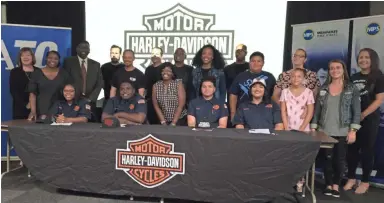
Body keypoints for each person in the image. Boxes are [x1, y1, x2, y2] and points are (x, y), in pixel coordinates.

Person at [310, 60, 361, 198]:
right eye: (332, 68)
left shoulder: (351, 88)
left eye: (338, 68)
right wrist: (314, 128)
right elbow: (317, 111)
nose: (335, 70)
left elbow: (356, 111)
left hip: (343, 131)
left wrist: (353, 130)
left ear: (343, 69)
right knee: (327, 159)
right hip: (325, 131)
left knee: (339, 160)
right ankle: (328, 184)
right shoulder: (323, 89)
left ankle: (336, 186)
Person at [345, 48, 384, 194]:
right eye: (360, 57)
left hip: (369, 120)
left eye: (366, 57)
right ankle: (351, 178)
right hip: (353, 119)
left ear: (372, 59)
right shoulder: (353, 77)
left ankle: (366, 181)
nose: (363, 60)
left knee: (367, 150)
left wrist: (363, 114)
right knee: (352, 149)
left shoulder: (379, 77)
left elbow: (379, 99)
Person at [279, 68, 315, 193]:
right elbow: (283, 110)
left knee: (301, 156)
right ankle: (287, 182)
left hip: (303, 128)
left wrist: (302, 128)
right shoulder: (284, 91)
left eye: (299, 76)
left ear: (303, 78)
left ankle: (300, 181)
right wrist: (286, 126)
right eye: (293, 76)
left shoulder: (308, 92)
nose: (296, 78)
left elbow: (310, 111)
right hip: (288, 127)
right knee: (288, 155)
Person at [229, 51, 276, 122]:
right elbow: (233, 95)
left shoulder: (269, 77)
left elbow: (274, 96)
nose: (256, 63)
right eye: (253, 61)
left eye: (259, 61)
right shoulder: (240, 76)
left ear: (263, 63)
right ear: (249, 62)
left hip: (264, 114)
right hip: (243, 113)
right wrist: (233, 113)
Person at [63, 40, 103, 122]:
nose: (84, 50)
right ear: (77, 49)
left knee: (91, 126)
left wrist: (91, 99)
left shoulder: (96, 64)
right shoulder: (69, 62)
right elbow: (65, 80)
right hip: (73, 101)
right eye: (81, 47)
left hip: (90, 102)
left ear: (89, 50)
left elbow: (99, 83)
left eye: (86, 48)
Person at [28, 51, 71, 121]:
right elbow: (32, 94)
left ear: (59, 60)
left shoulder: (64, 74)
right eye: (50, 58)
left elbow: (70, 93)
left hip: (60, 111)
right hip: (41, 110)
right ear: (46, 59)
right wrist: (33, 111)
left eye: (55, 58)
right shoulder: (36, 74)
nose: (52, 60)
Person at [10, 47, 38, 119]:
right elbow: (14, 91)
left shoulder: (39, 71)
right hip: (20, 109)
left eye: (28, 55)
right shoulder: (15, 72)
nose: (25, 57)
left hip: (37, 108)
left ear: (32, 57)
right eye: (23, 55)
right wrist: (26, 105)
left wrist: (33, 104)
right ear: (20, 58)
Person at [145, 47, 164, 124]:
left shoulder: (165, 69)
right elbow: (145, 85)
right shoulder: (148, 69)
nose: (154, 56)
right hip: (150, 101)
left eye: (157, 54)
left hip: (163, 101)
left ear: (161, 56)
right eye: (153, 54)